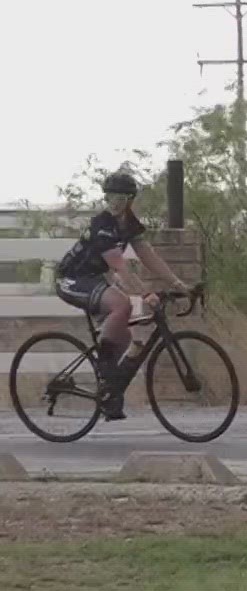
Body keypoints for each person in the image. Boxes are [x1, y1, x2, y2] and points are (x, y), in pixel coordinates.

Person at [52, 171, 195, 421]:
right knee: (121, 304)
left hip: (94, 279)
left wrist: (178, 283)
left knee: (126, 336)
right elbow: (119, 265)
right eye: (110, 197)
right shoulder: (103, 224)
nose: (114, 203)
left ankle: (110, 392)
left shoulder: (129, 224)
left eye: (121, 198)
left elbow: (148, 255)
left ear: (130, 200)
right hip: (71, 279)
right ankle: (108, 376)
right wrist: (146, 292)